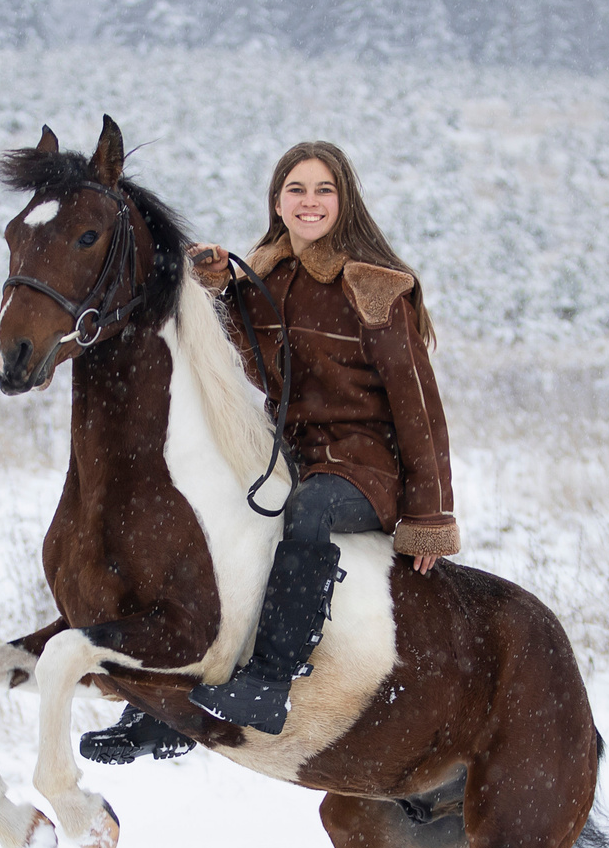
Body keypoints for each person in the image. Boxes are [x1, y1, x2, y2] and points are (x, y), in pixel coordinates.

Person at [81, 140, 458, 760]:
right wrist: (220, 287)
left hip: (368, 468)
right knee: (219, 518)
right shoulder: (266, 275)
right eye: (296, 190)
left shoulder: (378, 290)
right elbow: (246, 362)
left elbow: (421, 412)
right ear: (277, 201)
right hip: (295, 456)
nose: (310, 203)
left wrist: (430, 519)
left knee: (306, 511)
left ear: (346, 202)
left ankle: (268, 683)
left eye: (323, 191)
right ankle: (165, 703)